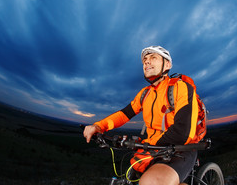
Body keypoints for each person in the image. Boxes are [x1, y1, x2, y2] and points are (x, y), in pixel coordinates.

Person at [83, 46, 200, 185]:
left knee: (150, 182)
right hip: (153, 149)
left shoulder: (181, 88)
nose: (146, 62)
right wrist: (98, 126)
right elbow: (124, 114)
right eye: (145, 60)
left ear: (167, 64)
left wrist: (146, 143)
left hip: (181, 150)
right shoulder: (145, 94)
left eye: (153, 58)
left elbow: (183, 133)